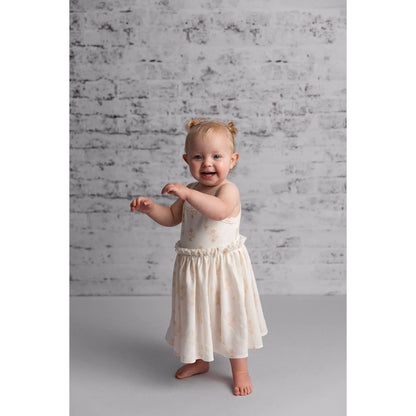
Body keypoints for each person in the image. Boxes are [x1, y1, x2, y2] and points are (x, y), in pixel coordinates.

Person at [130, 118, 268, 396]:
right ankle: (201, 360)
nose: (207, 163)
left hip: (223, 269)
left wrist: (185, 193)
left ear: (233, 160)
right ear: (187, 160)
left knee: (228, 315)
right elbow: (172, 217)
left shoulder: (227, 190)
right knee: (197, 314)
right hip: (195, 269)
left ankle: (240, 369)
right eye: (198, 157)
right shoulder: (191, 190)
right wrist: (151, 208)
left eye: (217, 156)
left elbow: (218, 211)